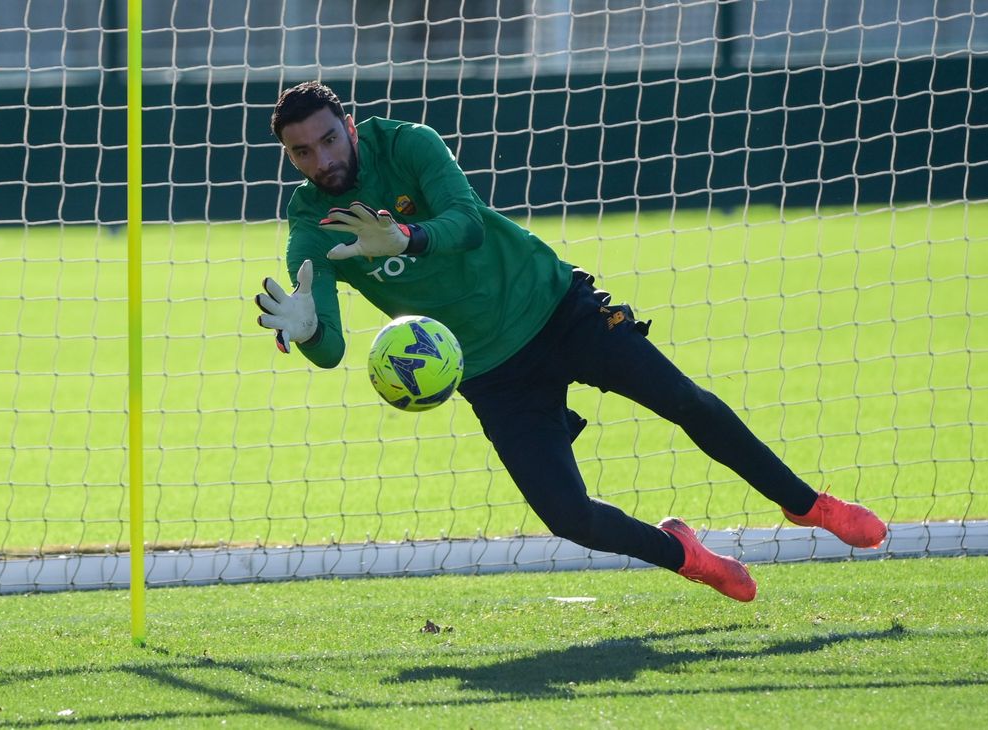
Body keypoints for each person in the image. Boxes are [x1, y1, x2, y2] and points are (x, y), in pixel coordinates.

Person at [255, 81, 888, 602]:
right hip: (490, 373)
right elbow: (332, 346)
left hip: (556, 307)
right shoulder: (310, 223)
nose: (322, 160)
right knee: (569, 517)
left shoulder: (409, 144)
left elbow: (467, 224)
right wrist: (308, 330)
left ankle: (809, 506)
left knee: (684, 402)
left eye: (328, 139)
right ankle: (685, 555)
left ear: (351, 127)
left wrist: (409, 239)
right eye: (302, 153)